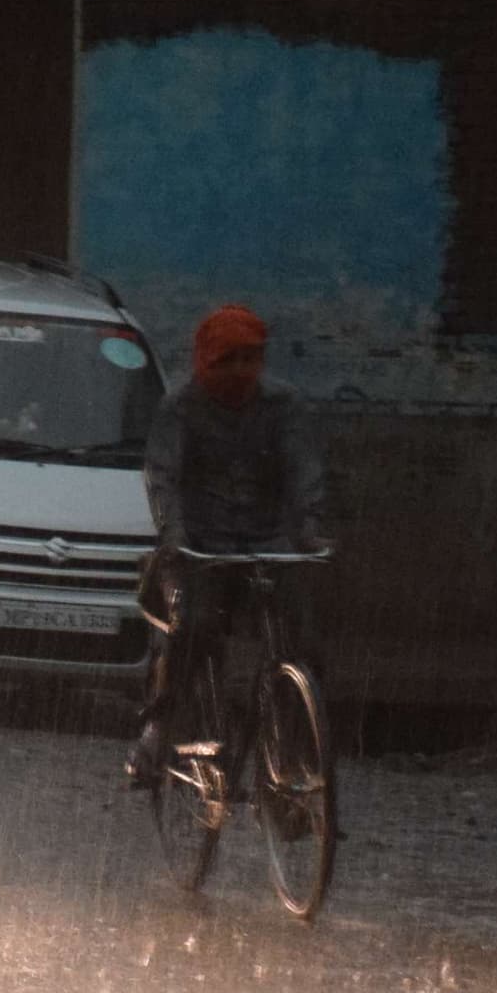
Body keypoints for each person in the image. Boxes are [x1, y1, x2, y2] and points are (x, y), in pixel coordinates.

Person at [128, 304, 328, 786]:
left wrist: (308, 526)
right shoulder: (181, 408)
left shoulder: (284, 406)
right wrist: (174, 539)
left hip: (269, 540)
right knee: (191, 629)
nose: (241, 371)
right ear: (206, 362)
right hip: (202, 544)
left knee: (304, 642)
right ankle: (159, 727)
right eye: (229, 360)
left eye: (251, 359)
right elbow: (163, 479)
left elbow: (304, 471)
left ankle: (294, 751)